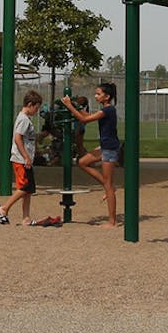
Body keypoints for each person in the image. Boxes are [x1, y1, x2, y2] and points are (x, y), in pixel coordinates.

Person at [60, 82, 121, 228]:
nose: (96, 96)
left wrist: (70, 106)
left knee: (108, 185)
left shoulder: (109, 110)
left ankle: (112, 221)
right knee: (82, 162)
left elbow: (84, 119)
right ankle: (109, 187)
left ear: (107, 96)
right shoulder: (104, 110)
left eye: (98, 94)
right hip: (104, 147)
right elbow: (88, 115)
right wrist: (78, 106)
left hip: (110, 149)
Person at [0, 90, 41, 225]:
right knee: (25, 187)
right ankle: (4, 208)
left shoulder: (25, 119)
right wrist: (26, 156)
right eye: (36, 108)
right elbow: (17, 138)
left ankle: (26, 217)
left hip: (26, 159)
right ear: (30, 104)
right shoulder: (23, 119)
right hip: (21, 160)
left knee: (29, 189)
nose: (37, 111)